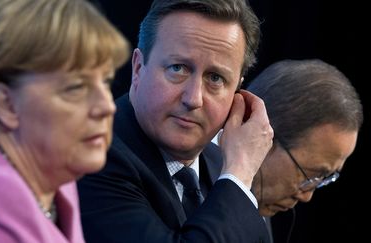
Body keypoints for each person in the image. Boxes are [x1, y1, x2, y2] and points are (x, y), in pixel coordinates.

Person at [77, 0, 274, 242]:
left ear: (237, 94)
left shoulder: (222, 164)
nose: (193, 99)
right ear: (138, 68)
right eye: (178, 68)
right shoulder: (93, 155)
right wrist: (240, 173)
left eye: (215, 78)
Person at [0, 0, 129, 242]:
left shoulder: (54, 170)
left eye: (106, 81)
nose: (107, 106)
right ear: (7, 104)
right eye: (76, 87)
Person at [245, 59, 363, 241]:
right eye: (309, 175)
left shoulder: (257, 207)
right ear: (264, 135)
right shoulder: (195, 199)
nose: (306, 196)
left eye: (324, 178)